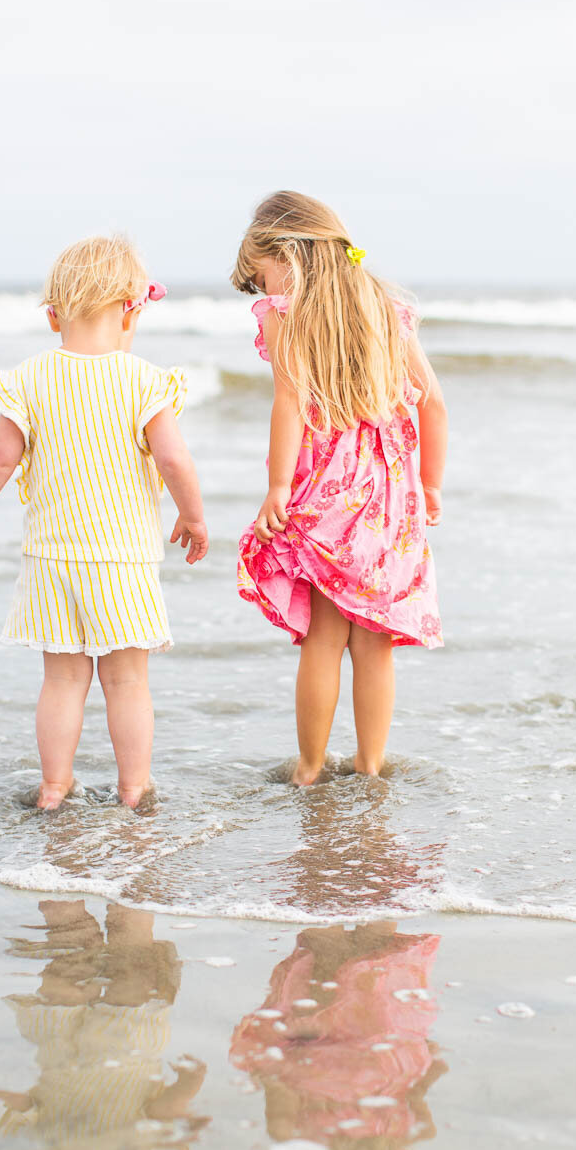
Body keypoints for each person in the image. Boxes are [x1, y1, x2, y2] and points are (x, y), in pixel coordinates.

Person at [0, 234, 208, 808]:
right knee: (127, 682)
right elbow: (172, 458)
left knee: (62, 682)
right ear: (131, 310)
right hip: (123, 561)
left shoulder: (32, 377)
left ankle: (53, 786)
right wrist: (192, 515)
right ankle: (133, 789)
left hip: (51, 561)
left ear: (53, 314)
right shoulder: (143, 379)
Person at [231, 191, 446, 785]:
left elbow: (291, 402)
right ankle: (372, 768)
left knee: (325, 635)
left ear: (286, 252)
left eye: (263, 273)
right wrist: (429, 486)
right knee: (375, 639)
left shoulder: (287, 313)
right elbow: (433, 402)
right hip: (390, 488)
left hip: (330, 485)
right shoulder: (385, 304)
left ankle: (308, 768)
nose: (265, 288)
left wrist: (277, 486)